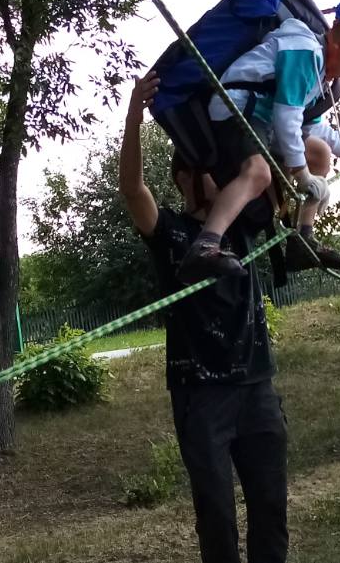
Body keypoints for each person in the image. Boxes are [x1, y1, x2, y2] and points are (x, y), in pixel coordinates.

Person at [119, 73, 289, 563]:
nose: (223, 176)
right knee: (216, 517)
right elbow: (132, 188)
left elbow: (272, 166)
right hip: (201, 395)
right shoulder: (169, 232)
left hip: (257, 387)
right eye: (210, 169)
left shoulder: (244, 225)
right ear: (185, 178)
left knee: (270, 509)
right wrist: (134, 117)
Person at [178, 0, 340, 283]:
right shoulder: (305, 52)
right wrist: (303, 176)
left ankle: (302, 240)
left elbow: (310, 128)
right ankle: (206, 244)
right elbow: (287, 118)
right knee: (258, 174)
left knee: (320, 152)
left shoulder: (319, 74)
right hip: (238, 109)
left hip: (264, 119)